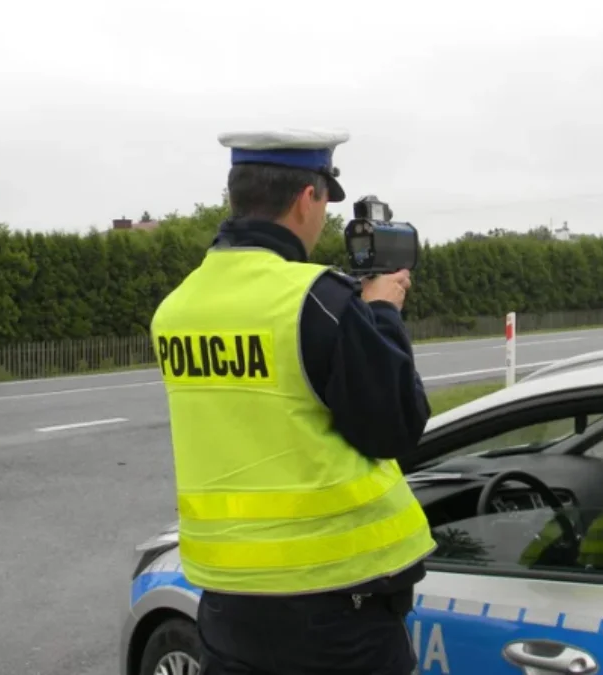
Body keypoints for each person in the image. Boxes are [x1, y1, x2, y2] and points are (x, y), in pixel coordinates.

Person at [150, 129, 438, 675]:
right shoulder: (320, 299)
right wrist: (382, 314)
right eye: (326, 203)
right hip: (335, 610)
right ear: (308, 197)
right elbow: (396, 428)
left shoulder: (176, 308)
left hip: (226, 604)